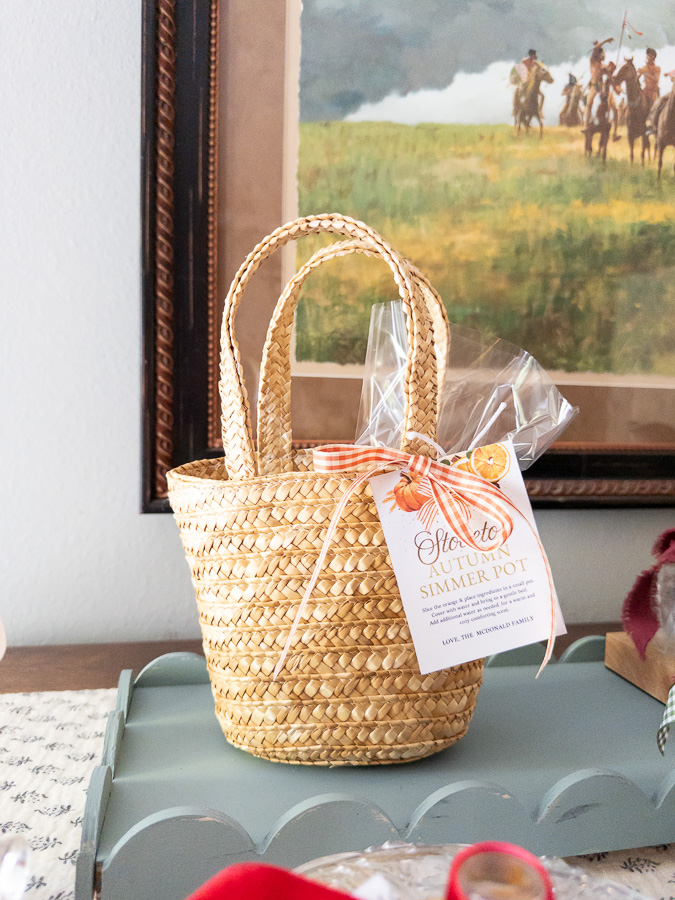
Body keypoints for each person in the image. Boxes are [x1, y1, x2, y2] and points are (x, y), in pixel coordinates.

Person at [584, 37, 615, 127]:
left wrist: (612, 68)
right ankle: (586, 125)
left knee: (614, 106)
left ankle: (614, 128)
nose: (603, 56)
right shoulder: (593, 61)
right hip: (594, 87)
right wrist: (605, 41)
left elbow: (609, 72)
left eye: (603, 54)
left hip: (603, 88)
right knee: (589, 104)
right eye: (601, 54)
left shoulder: (603, 66)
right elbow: (597, 48)